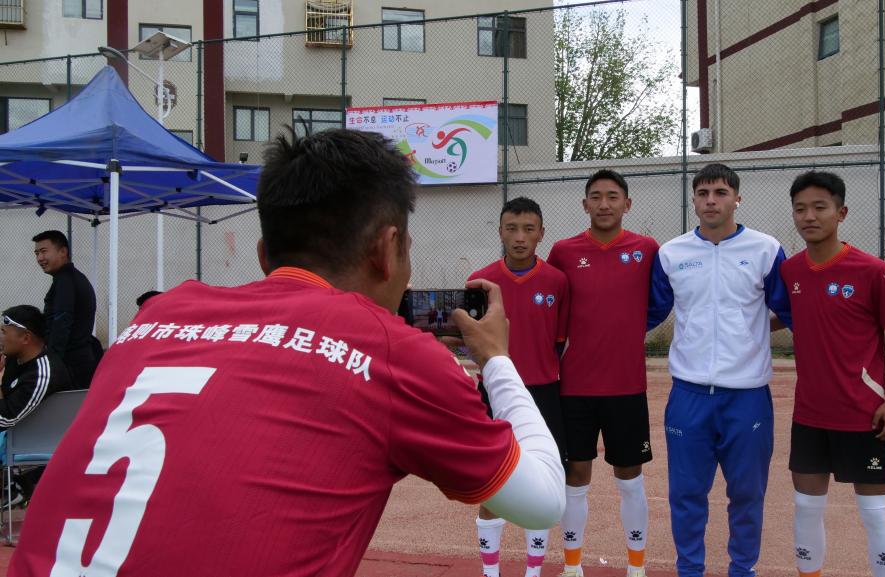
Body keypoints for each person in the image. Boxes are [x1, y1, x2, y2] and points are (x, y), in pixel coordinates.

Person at [10, 128, 565, 577]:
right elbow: (542, 500)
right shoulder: (392, 351)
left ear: (262, 253)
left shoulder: (159, 314)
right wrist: (497, 358)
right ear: (388, 248)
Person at [647, 163, 791, 577]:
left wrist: (752, 328)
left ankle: (742, 570)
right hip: (688, 395)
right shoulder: (672, 254)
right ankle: (689, 570)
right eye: (703, 193)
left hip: (747, 397)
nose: (711, 200)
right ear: (693, 200)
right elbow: (647, 314)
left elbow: (790, 310)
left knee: (747, 495)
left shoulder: (765, 250)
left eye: (721, 193)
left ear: (737, 199)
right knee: (686, 495)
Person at [781, 171, 885, 577]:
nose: (809, 217)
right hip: (809, 415)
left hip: (863, 415)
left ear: (841, 212)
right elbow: (779, 316)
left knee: (875, 513)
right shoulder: (791, 271)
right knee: (806, 507)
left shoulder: (873, 270)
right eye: (800, 209)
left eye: (820, 207)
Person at [547, 169, 659, 577]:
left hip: (626, 386)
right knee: (576, 476)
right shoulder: (563, 251)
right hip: (575, 387)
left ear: (628, 204)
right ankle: (572, 566)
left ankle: (636, 567)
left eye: (613, 196)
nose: (604, 204)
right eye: (596, 196)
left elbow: (660, 302)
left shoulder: (646, 249)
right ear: (584, 204)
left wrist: (630, 329)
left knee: (629, 477)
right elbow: (550, 306)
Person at [468, 197, 570, 577]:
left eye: (528, 229)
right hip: (492, 392)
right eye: (511, 229)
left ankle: (533, 571)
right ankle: (491, 572)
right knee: (490, 484)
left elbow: (559, 341)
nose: (520, 237)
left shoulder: (557, 281)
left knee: (541, 483)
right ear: (500, 232)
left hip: (542, 392)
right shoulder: (480, 281)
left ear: (541, 233)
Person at [0, 305, 74, 506]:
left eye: (4, 332)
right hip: (15, 433)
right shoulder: (15, 359)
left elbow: (5, 419)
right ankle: (15, 486)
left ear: (25, 338)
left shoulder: (42, 373)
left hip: (28, 441)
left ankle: (17, 486)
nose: (1, 338)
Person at [32, 230, 101, 390]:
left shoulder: (65, 281)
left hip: (71, 365)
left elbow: (61, 322)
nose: (40, 258)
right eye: (36, 253)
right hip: (79, 361)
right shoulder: (71, 277)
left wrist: (51, 364)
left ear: (63, 251)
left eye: (44, 251)